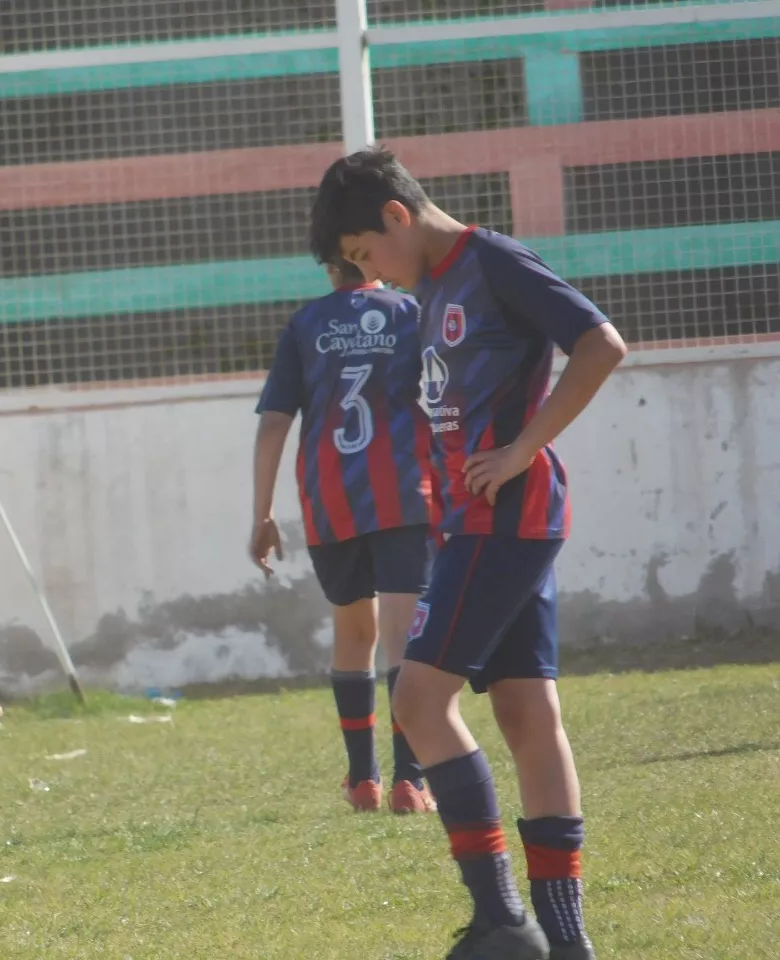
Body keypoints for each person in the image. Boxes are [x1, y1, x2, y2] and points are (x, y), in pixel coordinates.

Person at [309, 147, 626, 960]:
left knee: (418, 702)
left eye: (366, 254)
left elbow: (600, 344)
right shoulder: (431, 290)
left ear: (397, 215)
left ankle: (502, 921)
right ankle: (565, 942)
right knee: (527, 714)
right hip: (474, 520)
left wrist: (522, 448)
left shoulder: (493, 262)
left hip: (506, 518)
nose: (369, 274)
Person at [251, 257, 436, 815]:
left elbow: (274, 421)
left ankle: (362, 780)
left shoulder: (306, 324)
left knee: (354, 630)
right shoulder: (409, 311)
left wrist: (262, 513)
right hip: (403, 489)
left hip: (331, 496)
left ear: (328, 262)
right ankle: (410, 780)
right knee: (404, 634)